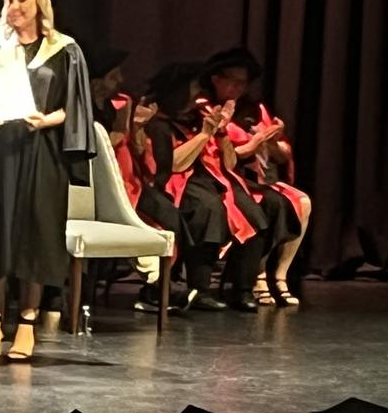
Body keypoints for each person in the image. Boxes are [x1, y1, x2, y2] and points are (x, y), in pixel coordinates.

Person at [0, 0, 96, 362]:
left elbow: (74, 108)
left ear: (40, 3)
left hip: (42, 152)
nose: (13, 7)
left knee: (35, 236)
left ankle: (26, 325)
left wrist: (46, 120)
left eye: (21, 0)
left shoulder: (64, 49)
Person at [145, 61, 269, 312]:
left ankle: (243, 289)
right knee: (207, 209)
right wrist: (204, 135)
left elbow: (230, 163)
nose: (196, 96)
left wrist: (220, 133)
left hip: (211, 177)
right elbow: (174, 165)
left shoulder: (194, 117)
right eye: (191, 91)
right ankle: (199, 289)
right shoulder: (156, 123)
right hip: (174, 182)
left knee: (254, 211)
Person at [202, 47, 311, 306]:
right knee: (265, 205)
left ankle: (279, 275)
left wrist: (271, 142)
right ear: (217, 79)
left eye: (244, 82)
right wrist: (258, 140)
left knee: (300, 202)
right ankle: (255, 278)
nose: (239, 88)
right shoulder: (205, 107)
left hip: (254, 177)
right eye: (233, 81)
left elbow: (282, 153)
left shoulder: (253, 108)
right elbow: (229, 154)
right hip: (219, 176)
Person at [86, 48, 188, 313]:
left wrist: (135, 126)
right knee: (137, 223)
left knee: (171, 216)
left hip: (127, 179)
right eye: (113, 76)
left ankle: (163, 282)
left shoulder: (113, 105)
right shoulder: (82, 106)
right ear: (97, 81)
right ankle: (156, 281)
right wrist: (120, 131)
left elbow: (135, 147)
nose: (119, 80)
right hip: (100, 185)